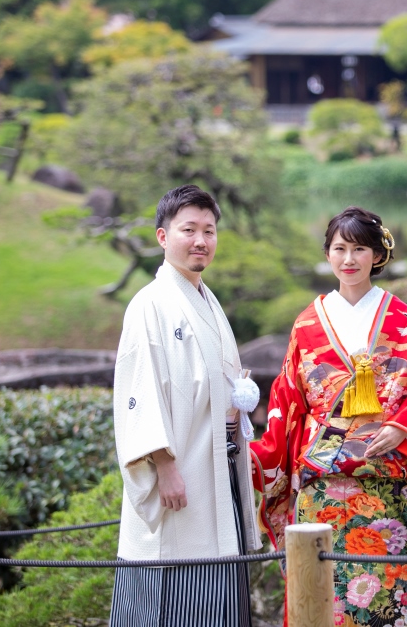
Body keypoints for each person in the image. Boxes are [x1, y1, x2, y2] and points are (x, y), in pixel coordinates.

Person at [252, 206, 407, 627]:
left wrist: (399, 426)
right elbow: (288, 398)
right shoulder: (307, 322)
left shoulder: (405, 319)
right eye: (339, 249)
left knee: (392, 596)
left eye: (359, 249)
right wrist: (263, 453)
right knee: (324, 597)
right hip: (324, 482)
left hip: (389, 476)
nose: (348, 259)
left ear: (377, 255)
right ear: (328, 254)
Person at [109, 185, 261, 626]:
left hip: (218, 464)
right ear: (162, 237)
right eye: (188, 230)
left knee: (217, 578)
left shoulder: (207, 300)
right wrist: (163, 465)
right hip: (180, 471)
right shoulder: (149, 304)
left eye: (209, 231)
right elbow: (140, 391)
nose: (201, 241)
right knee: (173, 584)